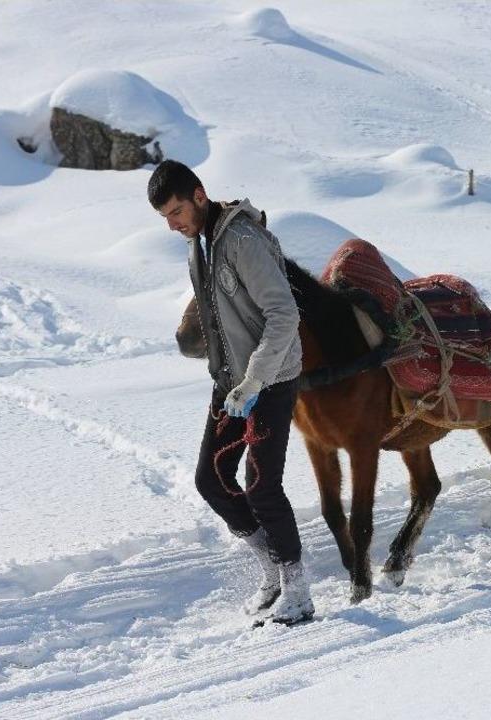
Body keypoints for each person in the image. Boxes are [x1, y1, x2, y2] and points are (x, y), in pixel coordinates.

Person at [147, 160, 314, 625]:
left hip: (271, 380)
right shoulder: (198, 246)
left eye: (177, 211)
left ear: (199, 195)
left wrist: (255, 379)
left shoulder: (241, 240)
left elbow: (283, 315)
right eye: (165, 217)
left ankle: (298, 591)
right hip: (230, 384)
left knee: (263, 487)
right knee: (212, 479)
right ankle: (273, 570)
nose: (173, 223)